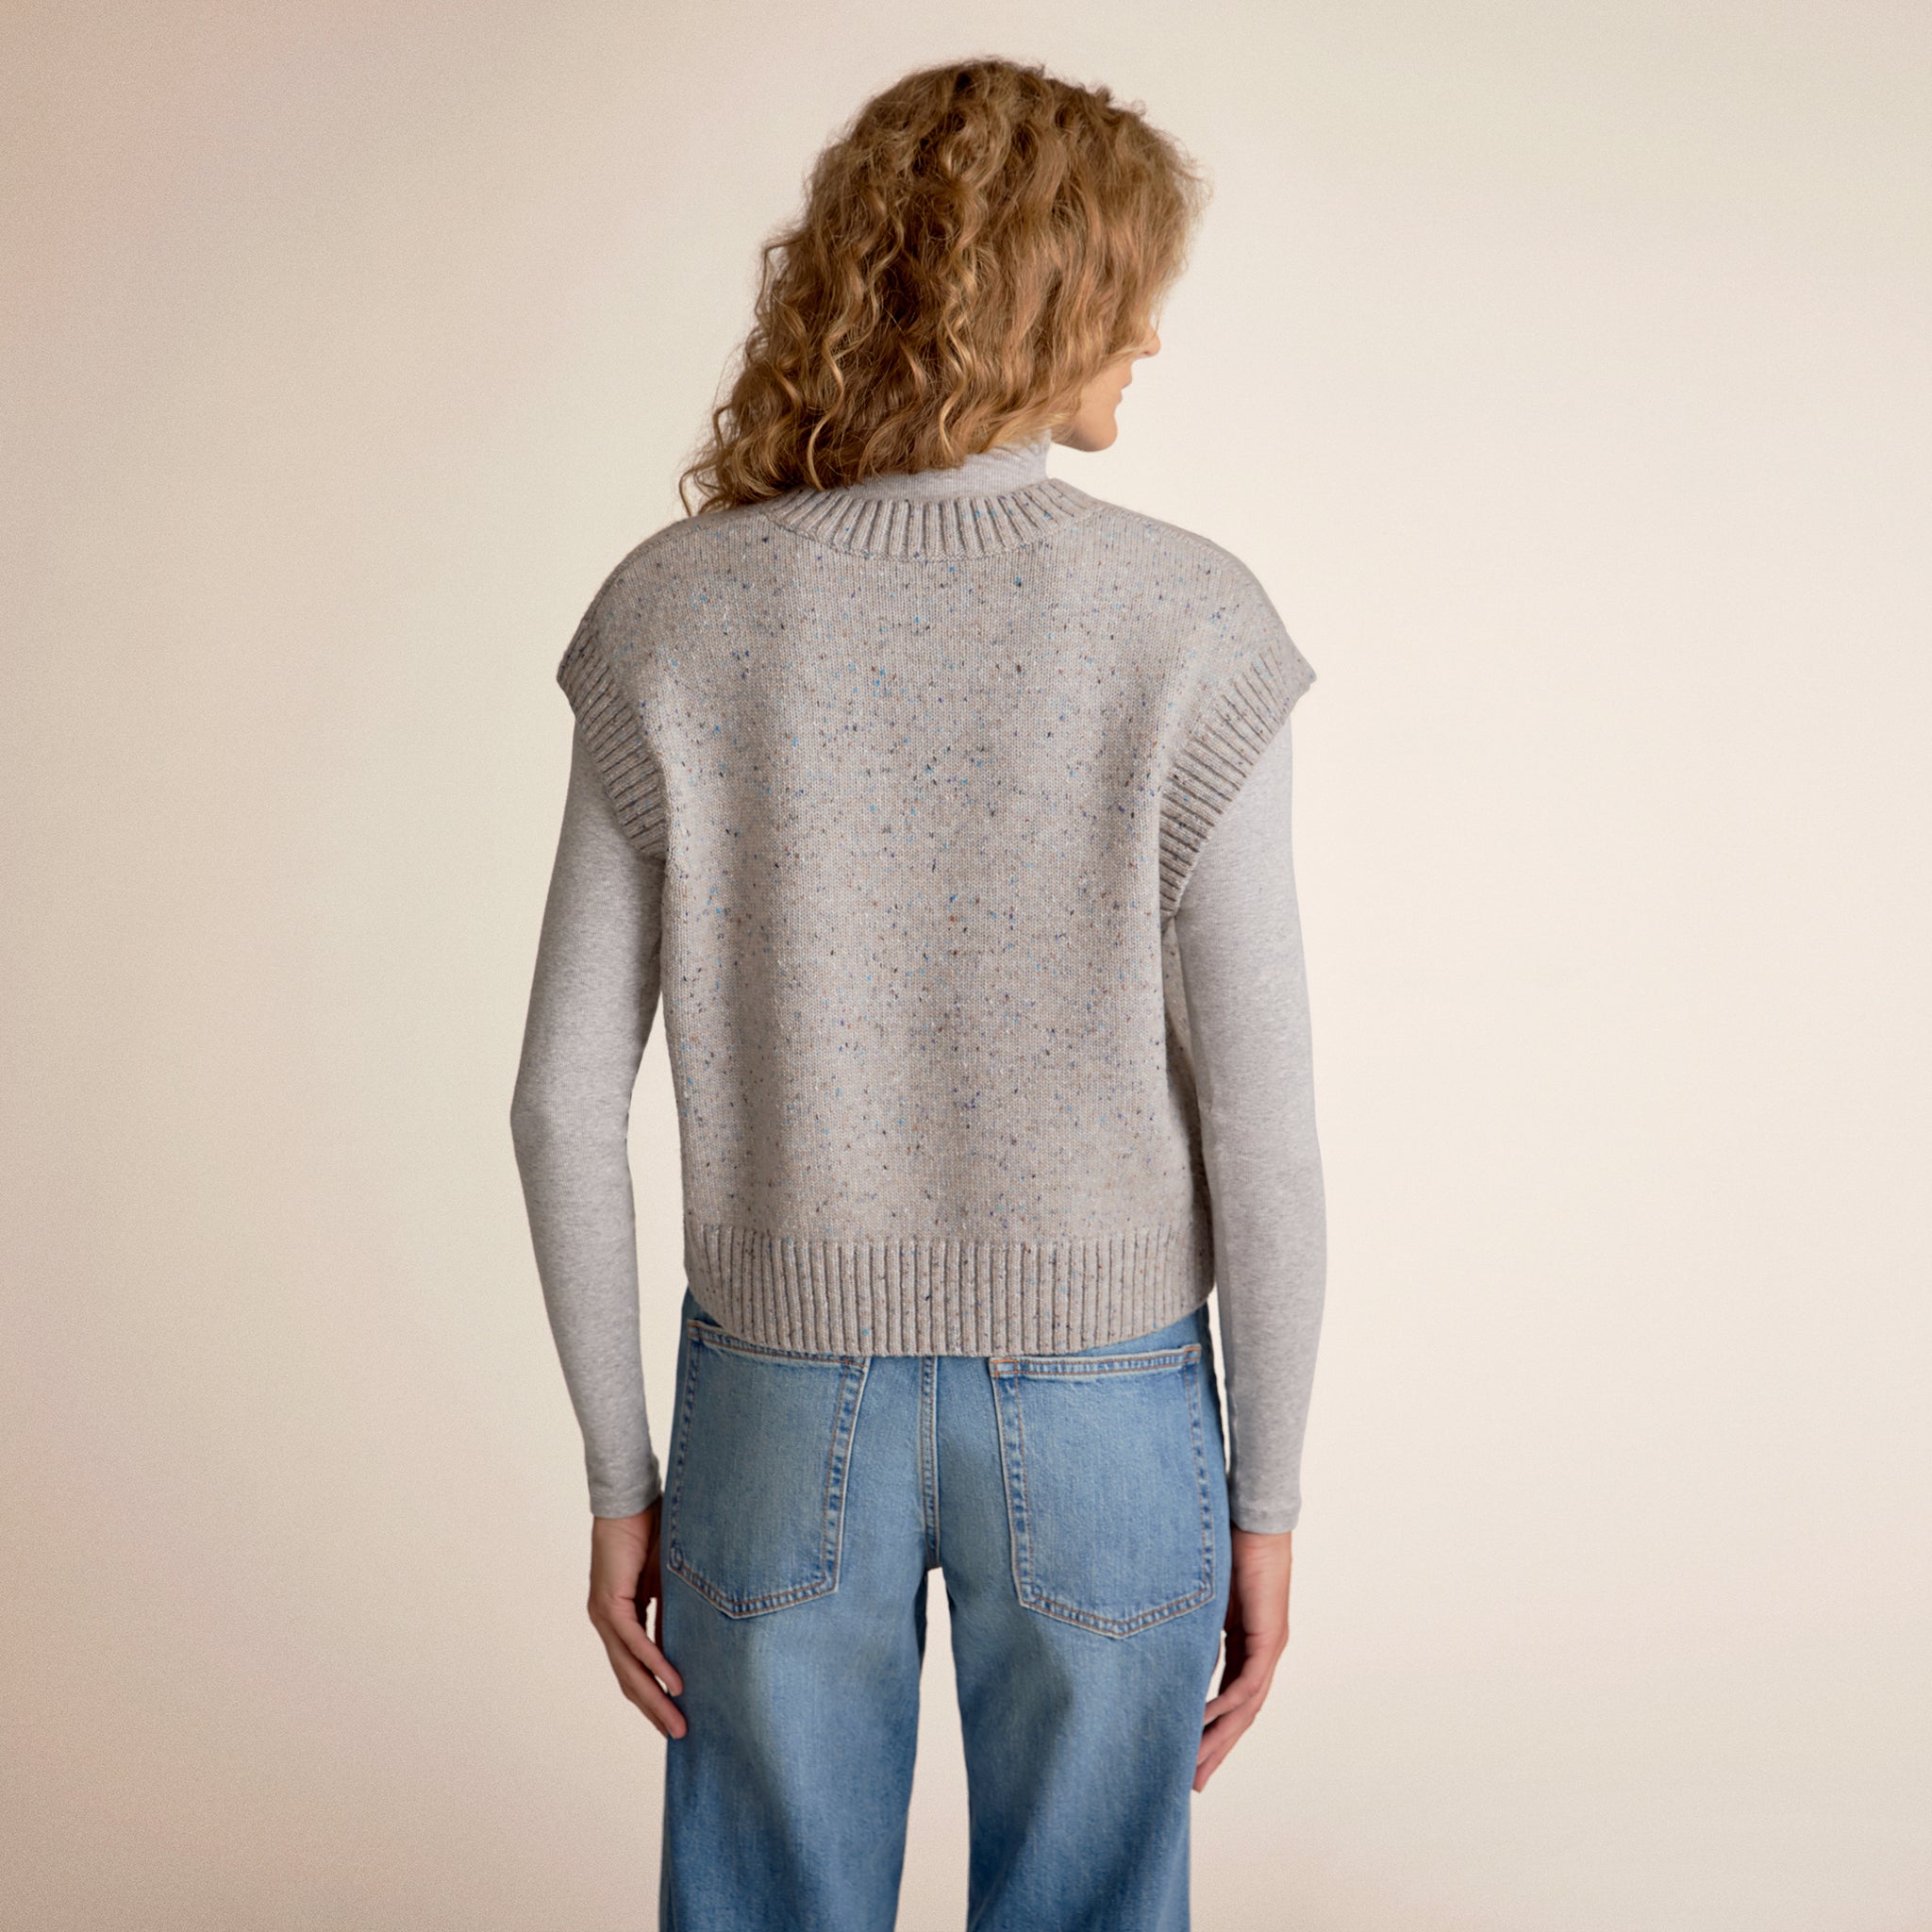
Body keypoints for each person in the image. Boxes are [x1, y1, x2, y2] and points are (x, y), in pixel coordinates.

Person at [510, 54, 1326, 1932]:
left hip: (777, 1407)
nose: (1147, 334)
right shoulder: (1195, 626)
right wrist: (1266, 1498)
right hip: (1115, 1407)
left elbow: (562, 1101)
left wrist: (620, 1476)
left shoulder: (673, 613)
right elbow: (1258, 1125)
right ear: (1045, 299)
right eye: (1124, 284)